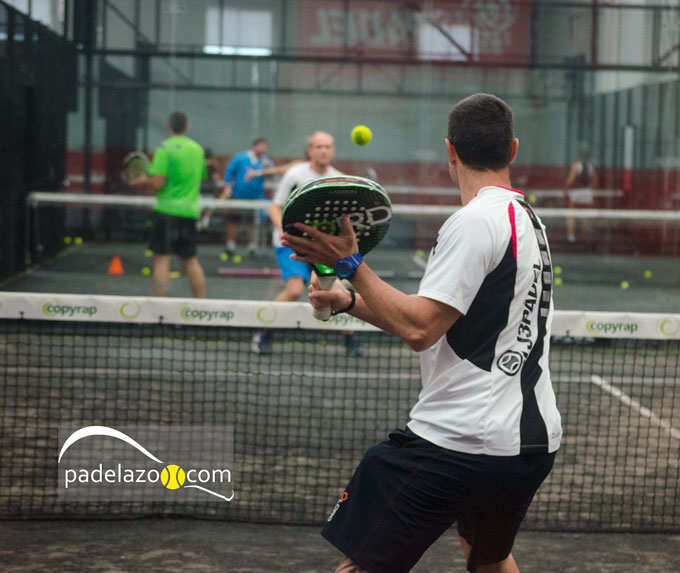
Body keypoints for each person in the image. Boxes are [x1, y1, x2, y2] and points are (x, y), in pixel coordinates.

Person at [282, 93, 561, 573]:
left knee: (363, 565)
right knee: (487, 558)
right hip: (529, 447)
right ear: (512, 150)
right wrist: (348, 301)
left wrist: (350, 265)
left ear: (450, 152)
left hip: (462, 439)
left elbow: (419, 328)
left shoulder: (474, 222)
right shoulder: (527, 221)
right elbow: (440, 318)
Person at [252, 131, 362, 357]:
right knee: (294, 290)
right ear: (310, 150)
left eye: (328, 147)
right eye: (319, 147)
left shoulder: (338, 179)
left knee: (333, 291)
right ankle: (263, 334)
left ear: (332, 151)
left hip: (321, 247)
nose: (323, 150)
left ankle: (350, 339)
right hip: (290, 245)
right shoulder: (294, 175)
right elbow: (275, 207)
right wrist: (284, 231)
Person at [129, 111, 207, 298]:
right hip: (189, 213)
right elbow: (200, 178)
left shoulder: (164, 148)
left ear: (168, 126)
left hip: (166, 213)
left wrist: (142, 181)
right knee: (190, 261)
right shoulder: (197, 150)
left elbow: (157, 183)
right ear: (186, 126)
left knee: (162, 261)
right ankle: (202, 307)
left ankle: (160, 311)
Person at [220, 138, 274, 256]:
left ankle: (252, 246)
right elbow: (229, 170)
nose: (263, 149)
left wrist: (267, 169)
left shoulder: (265, 161)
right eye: (261, 146)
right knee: (233, 220)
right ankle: (231, 245)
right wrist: (227, 186)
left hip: (255, 196)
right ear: (254, 146)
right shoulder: (240, 158)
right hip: (238, 195)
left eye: (265, 147)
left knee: (252, 222)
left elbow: (272, 173)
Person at [564, 150, 597, 243]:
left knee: (571, 214)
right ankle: (584, 237)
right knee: (585, 216)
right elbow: (595, 181)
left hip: (577, 192)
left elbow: (571, 180)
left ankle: (571, 236)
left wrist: (566, 187)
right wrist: (591, 192)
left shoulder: (576, 166)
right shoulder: (591, 167)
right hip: (587, 193)